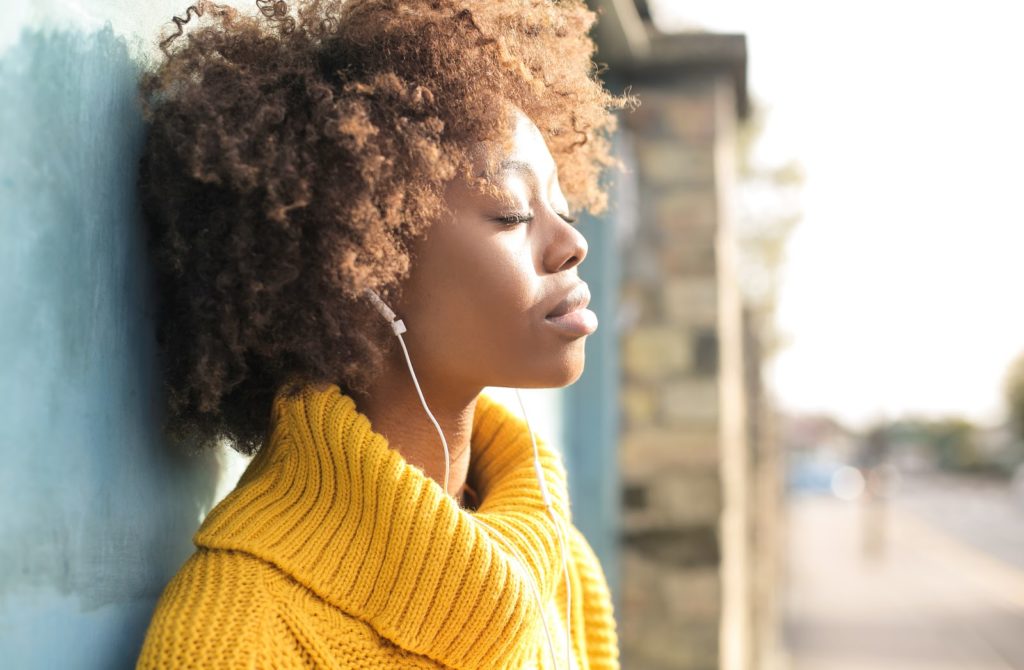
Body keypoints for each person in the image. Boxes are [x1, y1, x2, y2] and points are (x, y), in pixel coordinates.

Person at [134, 0, 633, 667]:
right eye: (512, 213)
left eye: (562, 207)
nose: (571, 243)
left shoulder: (559, 557)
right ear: (358, 262)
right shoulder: (236, 635)